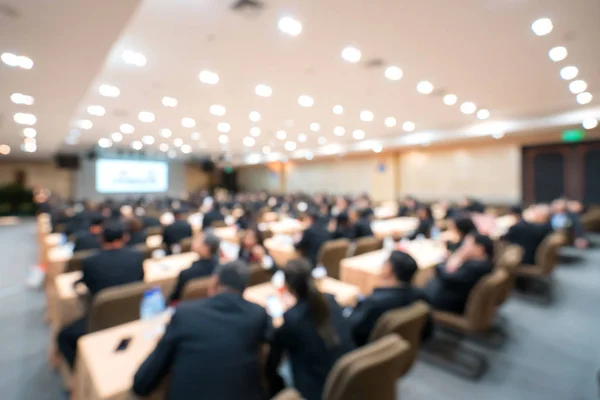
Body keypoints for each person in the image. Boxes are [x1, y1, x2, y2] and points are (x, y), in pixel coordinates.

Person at [133, 261, 271, 400]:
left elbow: (142, 383)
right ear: (245, 287)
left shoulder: (184, 314)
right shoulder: (258, 314)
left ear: (214, 281)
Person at [56, 223, 145, 368]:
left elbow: (89, 288)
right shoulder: (136, 256)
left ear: (101, 239)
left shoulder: (90, 262)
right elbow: (141, 280)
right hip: (134, 314)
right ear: (123, 238)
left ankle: (80, 374)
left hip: (101, 320)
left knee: (63, 337)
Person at [266, 259, 355, 400]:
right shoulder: (330, 300)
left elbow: (273, 359)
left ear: (288, 287)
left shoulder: (292, 319)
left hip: (317, 390)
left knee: (277, 368)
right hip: (347, 379)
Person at [348, 251, 430, 346]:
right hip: (398, 348)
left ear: (388, 270)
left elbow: (349, 329)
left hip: (363, 349)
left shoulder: (374, 303)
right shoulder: (420, 296)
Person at [424, 233, 494, 314]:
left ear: (480, 248)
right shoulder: (485, 262)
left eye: (467, 245)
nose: (463, 247)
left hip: (452, 302)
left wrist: (455, 258)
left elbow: (446, 276)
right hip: (459, 294)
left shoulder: (476, 267)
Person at [169, 233, 221, 303]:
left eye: (197, 241)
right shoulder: (220, 267)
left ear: (206, 248)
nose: (193, 242)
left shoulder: (186, 274)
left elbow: (175, 298)